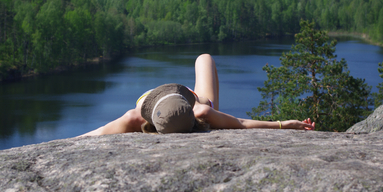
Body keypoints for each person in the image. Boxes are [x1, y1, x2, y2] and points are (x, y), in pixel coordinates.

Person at [79, 54, 315, 136]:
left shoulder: (134, 117)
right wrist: (285, 125)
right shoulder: (200, 111)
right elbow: (242, 124)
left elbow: (97, 132)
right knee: (204, 59)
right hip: (202, 101)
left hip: (176, 110)